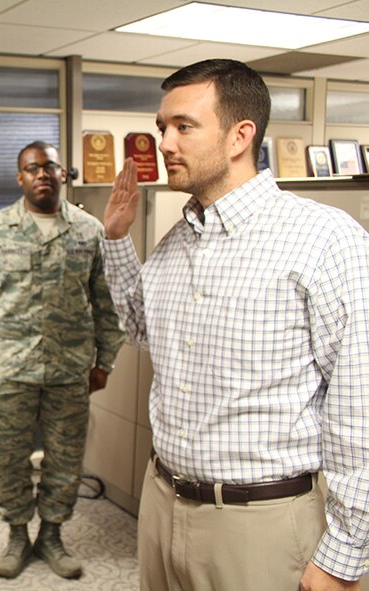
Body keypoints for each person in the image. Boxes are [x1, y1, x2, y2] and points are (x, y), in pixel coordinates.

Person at [102, 59, 368, 590]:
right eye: (162, 127)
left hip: (262, 523)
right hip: (164, 506)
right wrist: (115, 240)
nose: (165, 143)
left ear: (239, 136)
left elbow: (358, 405)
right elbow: (143, 332)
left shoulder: (323, 239)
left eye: (184, 126)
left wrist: (342, 555)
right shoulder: (176, 242)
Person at [0, 141, 125, 579]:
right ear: (20, 178)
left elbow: (107, 303)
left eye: (50, 166)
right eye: (33, 168)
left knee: (65, 458)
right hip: (8, 367)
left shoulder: (89, 231)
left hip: (70, 369)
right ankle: (17, 535)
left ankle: (51, 535)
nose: (42, 174)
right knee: (8, 457)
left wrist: (105, 359)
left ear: (63, 174)